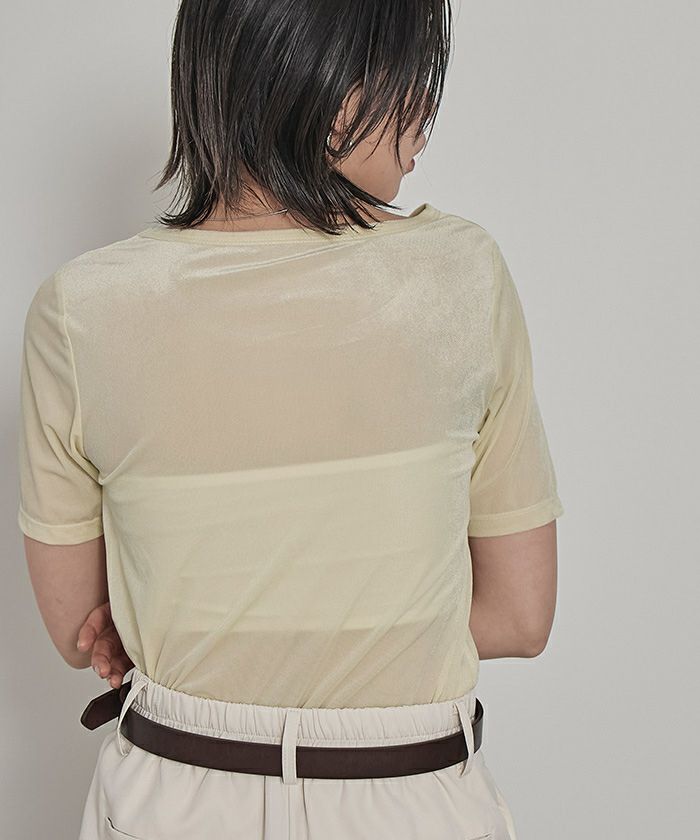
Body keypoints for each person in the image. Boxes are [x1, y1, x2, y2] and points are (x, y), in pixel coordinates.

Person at [17, 1, 564, 838]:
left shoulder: (80, 311)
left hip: (177, 796)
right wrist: (368, 633)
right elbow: (521, 615)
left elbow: (80, 629)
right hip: (408, 793)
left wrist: (204, 629)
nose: (424, 114)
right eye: (407, 78)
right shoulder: (461, 278)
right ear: (330, 87)